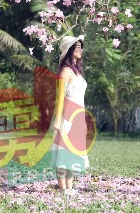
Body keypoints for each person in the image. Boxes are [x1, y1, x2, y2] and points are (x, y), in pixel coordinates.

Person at [51, 34, 89, 198]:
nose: (80, 49)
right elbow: (59, 98)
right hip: (66, 117)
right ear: (70, 50)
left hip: (78, 117)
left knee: (72, 154)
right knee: (63, 152)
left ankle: (70, 187)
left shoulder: (78, 73)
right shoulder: (65, 72)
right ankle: (63, 189)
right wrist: (58, 120)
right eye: (77, 47)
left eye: (81, 46)